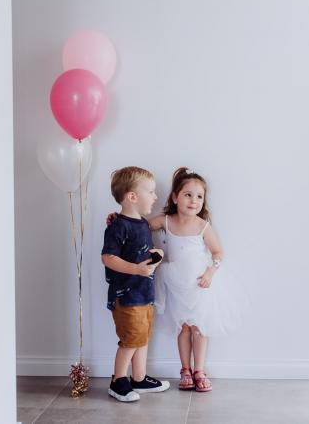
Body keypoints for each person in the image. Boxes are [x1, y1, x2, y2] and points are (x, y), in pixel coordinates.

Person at [148, 167, 240, 392]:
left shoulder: (202, 226)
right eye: (188, 194)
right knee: (184, 328)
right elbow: (140, 225)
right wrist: (118, 218)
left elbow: (218, 252)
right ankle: (185, 369)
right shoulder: (166, 221)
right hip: (175, 283)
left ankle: (199, 369)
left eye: (199, 196)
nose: (193, 201)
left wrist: (210, 272)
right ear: (175, 197)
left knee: (199, 327)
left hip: (199, 283)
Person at [101, 166, 170, 402]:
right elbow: (108, 257)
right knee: (131, 339)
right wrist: (137, 270)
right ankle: (118, 380)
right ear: (132, 197)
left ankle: (138, 378)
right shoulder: (118, 225)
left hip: (144, 294)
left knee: (142, 336)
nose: (156, 196)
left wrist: (155, 254)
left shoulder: (141, 223)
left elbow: (138, 252)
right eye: (151, 192)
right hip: (127, 295)